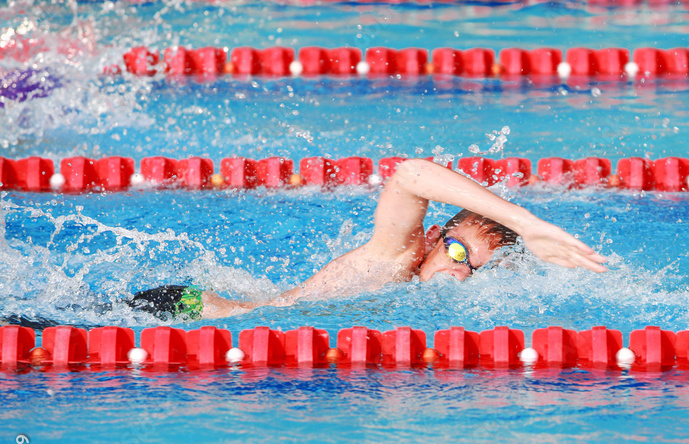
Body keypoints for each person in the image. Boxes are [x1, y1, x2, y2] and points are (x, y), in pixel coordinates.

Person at [130, 159, 608, 321]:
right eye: (458, 252)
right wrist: (525, 223)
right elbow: (409, 174)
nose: (459, 272)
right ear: (436, 237)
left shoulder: (424, 293)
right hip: (184, 312)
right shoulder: (396, 257)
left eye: (475, 269)